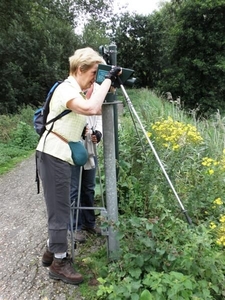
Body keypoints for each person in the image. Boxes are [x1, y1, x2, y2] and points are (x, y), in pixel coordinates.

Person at [36, 47, 121, 285]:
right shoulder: (66, 89)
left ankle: (52, 249)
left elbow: (95, 101)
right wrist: (109, 79)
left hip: (61, 156)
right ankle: (59, 264)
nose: (95, 79)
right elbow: (92, 108)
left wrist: (108, 83)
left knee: (61, 206)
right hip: (53, 155)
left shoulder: (78, 91)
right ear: (81, 69)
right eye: (94, 73)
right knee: (60, 210)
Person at [69, 112, 103, 244]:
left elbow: (99, 115)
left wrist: (98, 133)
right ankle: (74, 227)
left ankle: (89, 223)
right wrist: (77, 130)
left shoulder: (95, 95)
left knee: (89, 188)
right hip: (73, 148)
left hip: (90, 148)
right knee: (74, 189)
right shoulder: (72, 93)